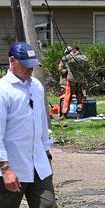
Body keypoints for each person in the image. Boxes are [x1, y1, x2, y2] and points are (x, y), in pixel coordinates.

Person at [0, 42, 57, 208]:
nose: (30, 70)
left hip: (38, 164)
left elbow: (42, 123)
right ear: (12, 61)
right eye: (26, 65)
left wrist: (47, 155)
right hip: (12, 166)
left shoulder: (36, 86)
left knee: (47, 205)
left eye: (32, 66)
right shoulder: (3, 90)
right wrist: (5, 169)